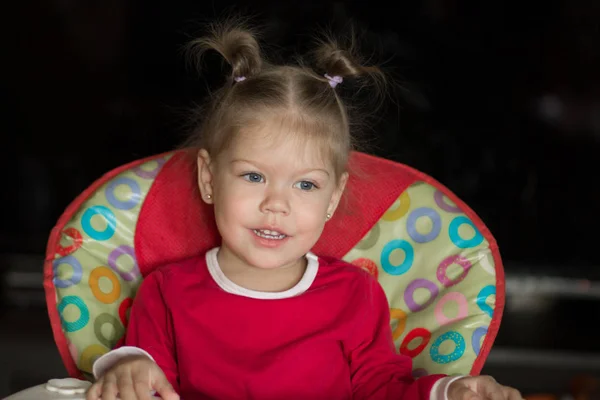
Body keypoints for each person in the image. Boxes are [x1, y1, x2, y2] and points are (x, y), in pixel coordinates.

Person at [86, 20, 523, 400]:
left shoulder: (357, 296)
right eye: (253, 176)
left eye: (306, 184)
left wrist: (450, 390)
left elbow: (383, 391)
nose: (277, 203)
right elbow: (144, 380)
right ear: (207, 178)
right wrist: (128, 372)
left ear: (332, 199)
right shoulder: (164, 294)